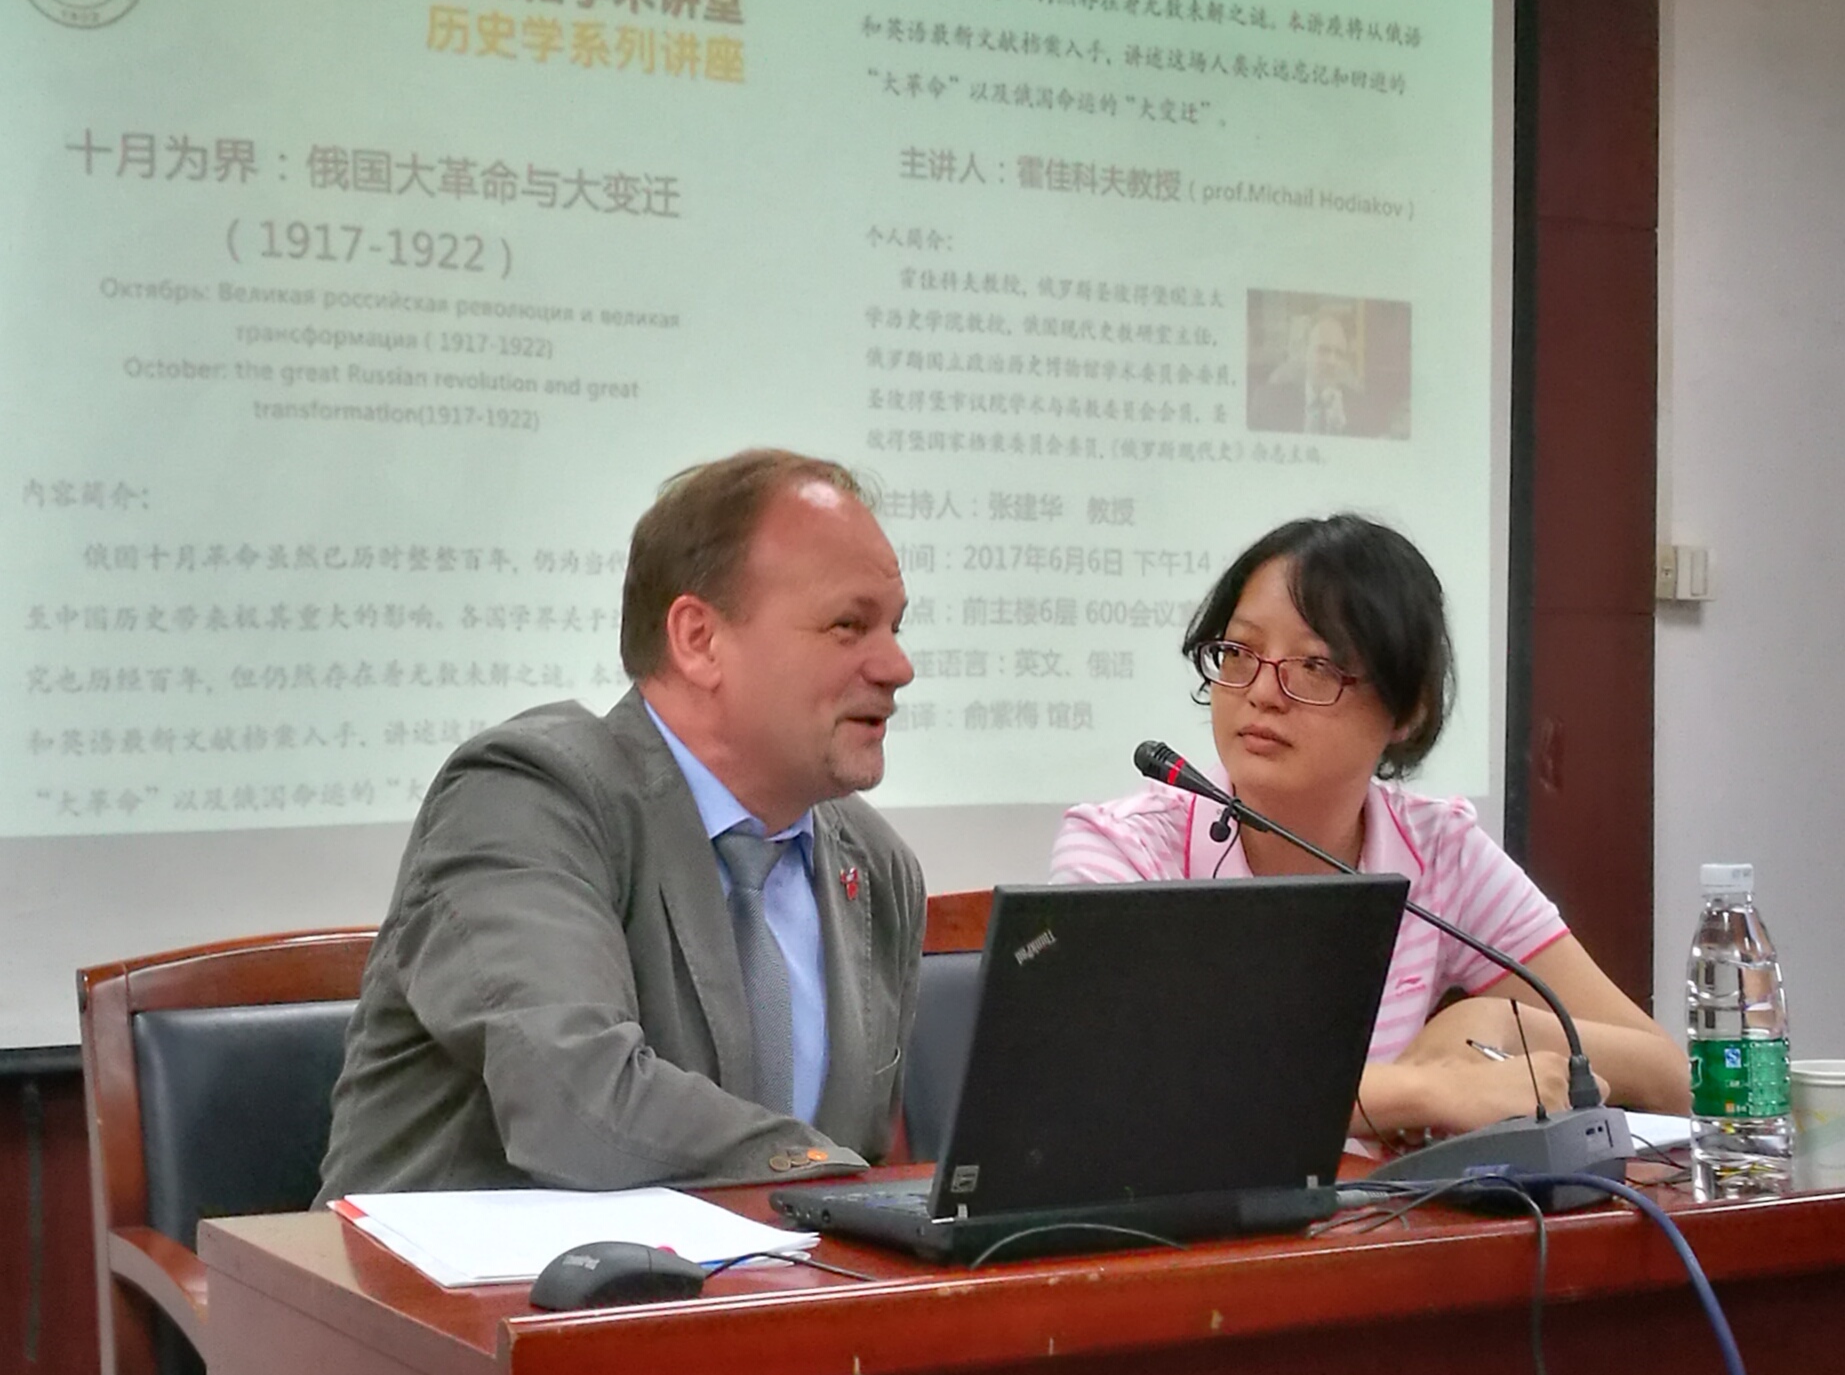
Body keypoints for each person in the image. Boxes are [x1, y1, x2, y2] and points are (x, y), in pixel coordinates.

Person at [320, 447, 926, 1195]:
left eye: (895, 627)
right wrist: (822, 1176)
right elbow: (575, 1102)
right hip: (463, 1272)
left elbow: (868, 1155)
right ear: (698, 639)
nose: (897, 667)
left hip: (761, 1273)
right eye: (848, 625)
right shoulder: (527, 795)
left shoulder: (875, 865)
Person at [1051, 514, 1687, 1143]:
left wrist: (1497, 1019)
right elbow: (1111, 1083)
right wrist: (1427, 1091)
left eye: (1315, 666)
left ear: (1407, 711)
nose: (1262, 693)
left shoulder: (1439, 852)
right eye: (1239, 652)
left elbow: (1671, 1077)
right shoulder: (1125, 850)